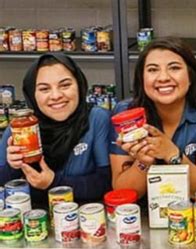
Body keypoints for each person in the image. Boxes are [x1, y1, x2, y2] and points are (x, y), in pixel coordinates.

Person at [110, 37, 196, 198]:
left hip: (195, 213)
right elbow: (124, 193)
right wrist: (143, 162)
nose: (163, 77)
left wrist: (172, 154)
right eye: (152, 70)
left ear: (191, 76)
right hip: (143, 215)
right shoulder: (126, 114)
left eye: (174, 68)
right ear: (141, 78)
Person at [0, 53, 112, 204]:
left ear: (79, 85)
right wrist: (13, 166)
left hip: (87, 219)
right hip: (32, 221)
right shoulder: (22, 127)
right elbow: (3, 183)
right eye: (44, 89)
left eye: (65, 85)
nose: (56, 95)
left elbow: (107, 183)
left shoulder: (97, 119)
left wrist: (54, 182)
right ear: (32, 94)